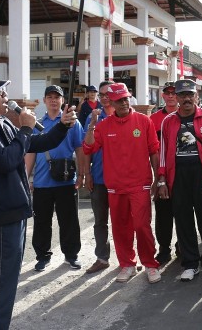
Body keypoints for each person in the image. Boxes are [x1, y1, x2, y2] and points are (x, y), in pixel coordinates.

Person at [0, 67, 77, 330]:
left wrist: (63, 127)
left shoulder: (1, 122)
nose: (4, 95)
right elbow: (6, 160)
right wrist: (24, 129)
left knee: (6, 285)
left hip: (13, 213)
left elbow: (37, 143)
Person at [83, 82, 161, 284]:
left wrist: (158, 178)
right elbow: (88, 147)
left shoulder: (144, 121)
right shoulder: (103, 125)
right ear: (112, 102)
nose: (123, 103)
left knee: (142, 225)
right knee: (120, 227)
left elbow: (154, 150)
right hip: (115, 185)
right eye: (119, 100)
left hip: (139, 184)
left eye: (126, 98)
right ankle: (127, 264)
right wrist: (92, 122)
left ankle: (150, 264)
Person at [157, 79, 202, 282]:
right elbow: (163, 152)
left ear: (196, 96)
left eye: (190, 95)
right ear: (175, 98)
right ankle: (190, 263)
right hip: (177, 175)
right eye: (182, 95)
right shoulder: (168, 121)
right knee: (183, 220)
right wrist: (162, 180)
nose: (186, 99)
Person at [25, 85, 84, 271]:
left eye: (56, 97)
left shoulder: (72, 122)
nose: (53, 100)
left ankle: (71, 255)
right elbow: (30, 153)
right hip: (42, 182)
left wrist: (82, 173)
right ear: (44, 100)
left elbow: (80, 149)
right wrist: (25, 178)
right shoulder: (36, 124)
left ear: (62, 100)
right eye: (49, 97)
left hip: (66, 180)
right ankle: (42, 256)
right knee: (42, 222)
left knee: (69, 220)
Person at [80, 80, 114, 274]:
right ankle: (102, 257)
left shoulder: (126, 115)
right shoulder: (94, 118)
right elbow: (86, 149)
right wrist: (86, 174)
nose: (104, 97)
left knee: (124, 221)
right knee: (100, 221)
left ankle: (128, 257)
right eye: (101, 94)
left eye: (108, 93)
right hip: (99, 178)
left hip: (120, 180)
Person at [149, 81, 179, 264]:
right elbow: (150, 149)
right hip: (161, 173)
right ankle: (164, 248)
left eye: (174, 93)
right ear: (163, 95)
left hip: (182, 172)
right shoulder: (153, 119)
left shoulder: (186, 116)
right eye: (167, 93)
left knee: (183, 213)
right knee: (163, 215)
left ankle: (182, 246)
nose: (170, 96)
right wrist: (156, 177)